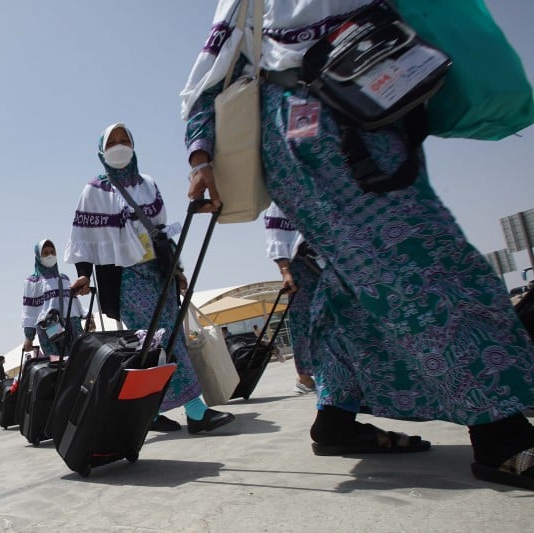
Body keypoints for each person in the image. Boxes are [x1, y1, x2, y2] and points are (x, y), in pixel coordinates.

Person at [182, 1, 534, 489]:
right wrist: (200, 158)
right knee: (419, 263)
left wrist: (200, 157)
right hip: (317, 122)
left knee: (354, 284)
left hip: (357, 107)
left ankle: (336, 417)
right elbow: (212, 73)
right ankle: (503, 433)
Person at [65, 122, 234, 435]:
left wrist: (178, 269)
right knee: (161, 337)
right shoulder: (95, 190)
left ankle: (149, 411)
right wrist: (83, 276)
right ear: (102, 150)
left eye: (124, 139)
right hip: (124, 277)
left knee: (161, 341)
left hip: (158, 271)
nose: (119, 146)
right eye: (112, 141)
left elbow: (161, 232)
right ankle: (195, 411)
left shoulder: (147, 184)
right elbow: (84, 239)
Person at [264, 203, 318, 395]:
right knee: (305, 321)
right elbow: (276, 235)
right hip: (303, 267)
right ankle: (305, 377)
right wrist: (285, 271)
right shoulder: (283, 197)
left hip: (330, 264)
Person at [21, 239, 84, 357]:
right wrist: (29, 337)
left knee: (78, 361)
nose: (50, 255)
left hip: (73, 325)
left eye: (52, 252)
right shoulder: (32, 282)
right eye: (45, 253)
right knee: (58, 363)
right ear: (38, 256)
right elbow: (30, 312)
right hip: (51, 327)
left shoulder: (64, 278)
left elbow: (73, 303)